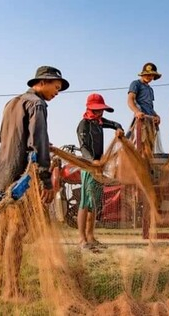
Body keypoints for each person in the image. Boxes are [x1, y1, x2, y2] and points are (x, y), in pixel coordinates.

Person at [0, 65, 69, 301]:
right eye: (56, 86)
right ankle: (11, 290)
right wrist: (45, 180)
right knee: (17, 230)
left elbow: (2, 137)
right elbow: (38, 144)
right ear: (42, 82)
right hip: (20, 177)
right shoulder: (38, 104)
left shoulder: (12, 103)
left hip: (1, 172)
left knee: (2, 230)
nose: (57, 92)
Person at [76, 93, 124, 250]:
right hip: (88, 167)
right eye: (97, 110)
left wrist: (119, 129)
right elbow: (83, 147)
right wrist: (92, 161)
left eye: (102, 110)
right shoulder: (84, 124)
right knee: (84, 202)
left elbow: (116, 123)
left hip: (99, 168)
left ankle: (91, 236)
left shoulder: (99, 122)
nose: (100, 113)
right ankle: (82, 238)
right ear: (89, 108)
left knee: (94, 203)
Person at [127, 62, 162, 155]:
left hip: (150, 120)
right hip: (141, 119)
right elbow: (130, 100)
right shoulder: (136, 84)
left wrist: (156, 115)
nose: (149, 76)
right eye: (147, 74)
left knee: (149, 147)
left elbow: (150, 106)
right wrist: (137, 112)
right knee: (139, 145)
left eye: (151, 75)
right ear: (143, 74)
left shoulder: (150, 89)